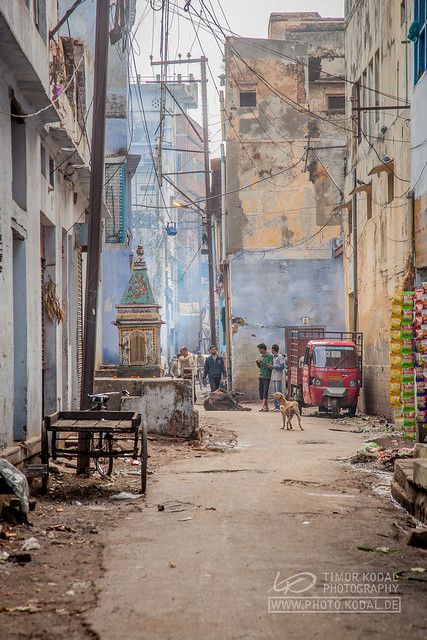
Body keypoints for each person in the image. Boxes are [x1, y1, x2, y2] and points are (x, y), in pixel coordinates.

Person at [255, 343, 273, 412]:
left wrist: (262, 363)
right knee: (261, 390)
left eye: (259, 349)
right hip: (261, 375)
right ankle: (266, 406)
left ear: (263, 349)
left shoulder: (270, 356)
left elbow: (270, 366)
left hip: (267, 375)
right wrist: (258, 363)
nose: (259, 351)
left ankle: (263, 406)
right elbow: (260, 367)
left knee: (265, 391)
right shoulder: (261, 356)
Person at [269, 344, 285, 410]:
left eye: (272, 349)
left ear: (274, 349)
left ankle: (280, 406)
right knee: (275, 392)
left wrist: (273, 366)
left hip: (278, 376)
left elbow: (282, 366)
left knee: (278, 392)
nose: (271, 351)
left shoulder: (280, 356)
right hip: (274, 376)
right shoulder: (273, 357)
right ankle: (276, 406)